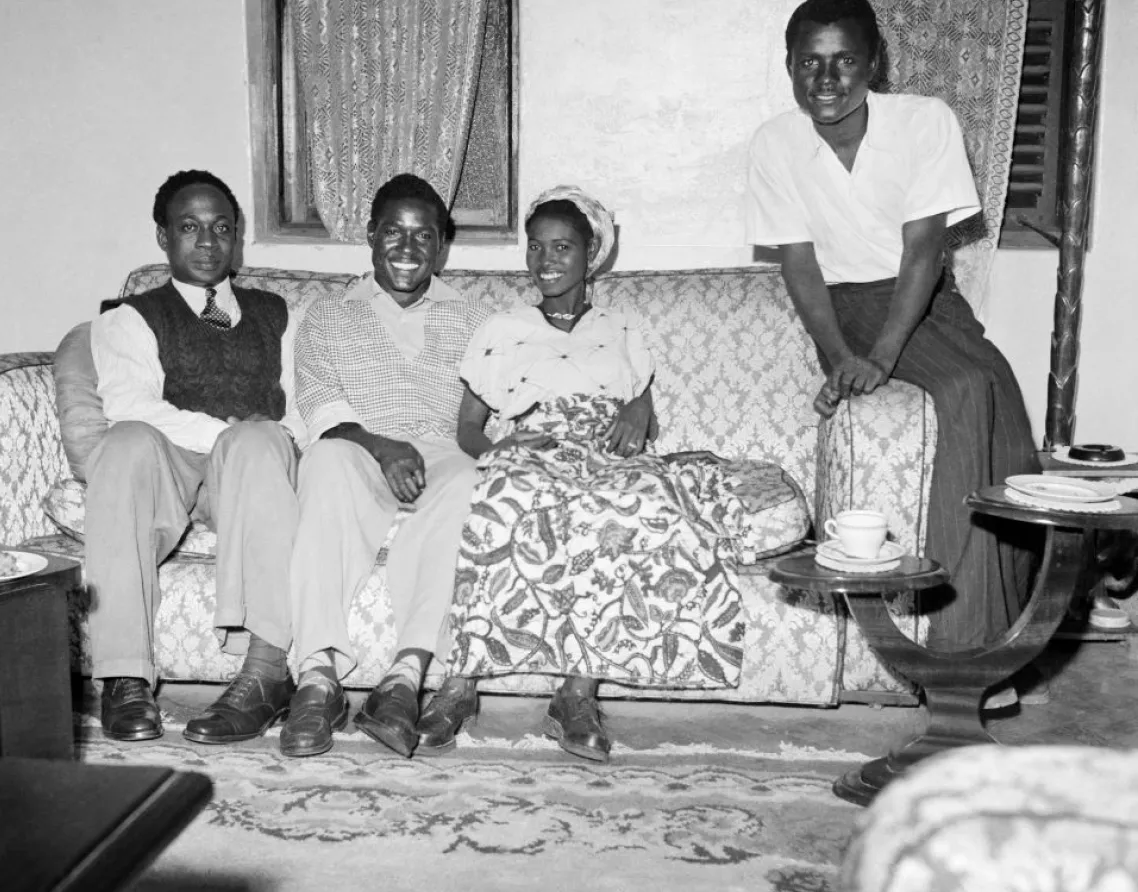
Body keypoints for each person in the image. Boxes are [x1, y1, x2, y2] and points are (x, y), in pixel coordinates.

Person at [744, 0, 1040, 706]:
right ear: (789, 67)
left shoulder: (924, 119)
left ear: (873, 61)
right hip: (843, 307)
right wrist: (840, 354)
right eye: (809, 62)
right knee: (968, 389)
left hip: (923, 298)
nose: (827, 77)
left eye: (844, 59)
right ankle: (963, 665)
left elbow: (923, 253)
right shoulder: (775, 143)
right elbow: (801, 268)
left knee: (1007, 417)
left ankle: (1005, 632)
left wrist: (881, 356)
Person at [417, 186, 765, 761]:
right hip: (534, 442)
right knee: (502, 496)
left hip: (605, 447)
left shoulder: (621, 325)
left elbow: (642, 407)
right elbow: (467, 430)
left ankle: (576, 694)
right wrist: (503, 445)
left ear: (589, 255)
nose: (546, 260)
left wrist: (637, 407)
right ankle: (460, 685)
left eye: (562, 247)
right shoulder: (501, 328)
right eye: (536, 247)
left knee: (636, 504)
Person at [278, 173, 489, 759]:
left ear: (441, 246)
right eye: (393, 232)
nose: (407, 248)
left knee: (470, 483)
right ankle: (318, 677)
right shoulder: (328, 314)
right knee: (322, 462)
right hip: (359, 444)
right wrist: (380, 445)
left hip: (444, 452)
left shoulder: (475, 321)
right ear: (370, 236)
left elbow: (491, 409)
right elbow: (319, 401)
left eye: (424, 236)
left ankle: (406, 676)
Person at [87, 170, 302, 743]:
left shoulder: (278, 312)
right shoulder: (129, 316)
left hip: (256, 468)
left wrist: (268, 436)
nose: (207, 242)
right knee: (124, 444)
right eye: (189, 227)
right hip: (175, 460)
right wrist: (223, 433)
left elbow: (306, 400)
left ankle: (265, 674)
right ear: (163, 237)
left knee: (259, 442)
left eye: (221, 228)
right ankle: (124, 675)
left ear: (238, 238)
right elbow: (132, 407)